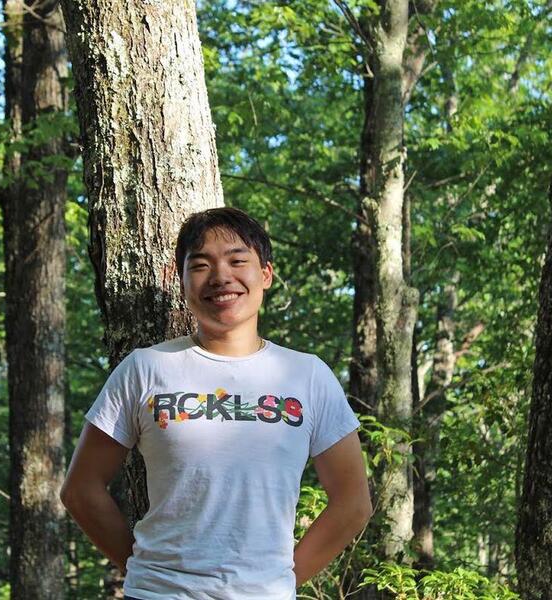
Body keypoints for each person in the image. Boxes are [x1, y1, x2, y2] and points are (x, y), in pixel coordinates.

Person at [61, 207, 372, 600]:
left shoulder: (307, 376)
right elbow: (81, 489)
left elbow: (353, 502)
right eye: (201, 265)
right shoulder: (145, 368)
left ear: (266, 274)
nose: (221, 276)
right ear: (179, 279)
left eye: (237, 261)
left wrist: (280, 583)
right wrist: (145, 571)